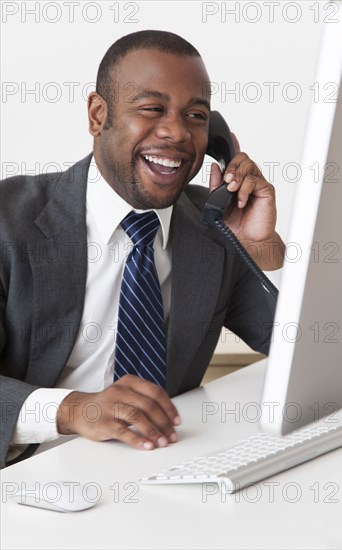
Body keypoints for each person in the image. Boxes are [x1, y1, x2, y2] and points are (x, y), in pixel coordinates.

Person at [0, 30, 285, 468]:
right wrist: (72, 410)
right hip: (26, 478)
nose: (176, 132)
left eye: (196, 116)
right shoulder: (9, 220)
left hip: (156, 471)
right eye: (152, 109)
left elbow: (316, 348)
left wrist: (264, 251)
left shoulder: (215, 230)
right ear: (99, 115)